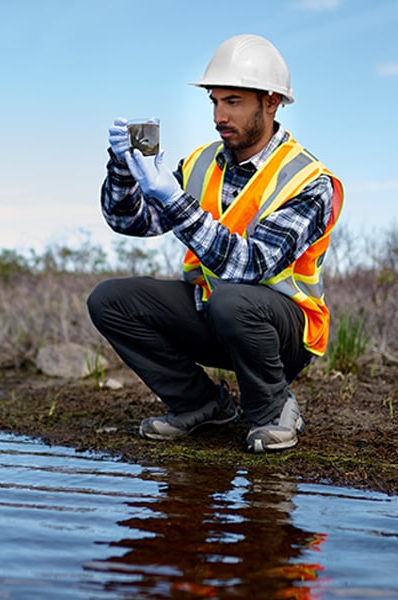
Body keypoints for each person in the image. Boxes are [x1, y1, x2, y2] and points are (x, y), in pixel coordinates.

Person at [87, 34, 344, 453]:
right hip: (213, 313)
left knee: (234, 300)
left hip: (281, 332)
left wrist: (173, 199)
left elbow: (251, 265)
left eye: (234, 101)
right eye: (214, 101)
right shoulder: (202, 162)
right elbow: (129, 221)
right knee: (110, 299)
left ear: (272, 101)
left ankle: (272, 410)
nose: (219, 116)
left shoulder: (309, 181)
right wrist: (123, 169)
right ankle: (200, 405)